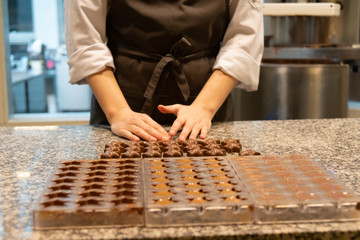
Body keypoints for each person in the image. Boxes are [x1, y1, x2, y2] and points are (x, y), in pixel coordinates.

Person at [64, 0, 264, 142]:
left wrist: (204, 109)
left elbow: (243, 42)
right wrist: (118, 113)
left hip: (208, 104)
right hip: (120, 102)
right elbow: (87, 42)